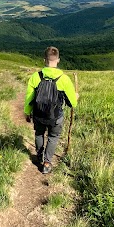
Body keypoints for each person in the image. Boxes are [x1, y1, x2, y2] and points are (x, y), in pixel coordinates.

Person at [24, 46, 78, 174]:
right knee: (53, 137)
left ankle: (39, 156)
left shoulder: (35, 77)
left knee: (39, 134)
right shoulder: (64, 79)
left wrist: (27, 112)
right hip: (55, 117)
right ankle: (47, 163)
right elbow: (72, 104)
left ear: (44, 60)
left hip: (38, 115)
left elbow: (29, 98)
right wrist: (75, 96)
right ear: (58, 60)